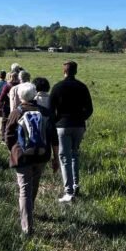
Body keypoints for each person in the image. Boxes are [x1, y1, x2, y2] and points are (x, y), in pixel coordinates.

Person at [5, 82, 54, 236]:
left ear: (20, 96)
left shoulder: (16, 112)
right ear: (34, 95)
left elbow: (8, 135)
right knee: (34, 184)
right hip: (41, 155)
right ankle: (30, 210)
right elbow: (52, 136)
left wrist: (13, 150)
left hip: (22, 156)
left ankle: (27, 228)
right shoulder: (45, 112)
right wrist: (55, 157)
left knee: (24, 189)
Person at [50, 61, 93, 202]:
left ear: (64, 71)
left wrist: (57, 121)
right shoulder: (82, 87)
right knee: (75, 154)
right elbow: (90, 109)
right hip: (79, 126)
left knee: (64, 158)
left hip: (62, 125)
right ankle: (75, 185)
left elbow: (51, 110)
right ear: (76, 71)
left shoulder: (57, 87)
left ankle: (68, 192)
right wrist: (81, 118)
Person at [0, 72, 20, 140]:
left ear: (10, 77)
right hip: (17, 108)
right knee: (15, 122)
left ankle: (3, 137)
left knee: (4, 121)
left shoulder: (7, 85)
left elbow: (1, 98)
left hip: (7, 106)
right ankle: (13, 137)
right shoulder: (20, 85)